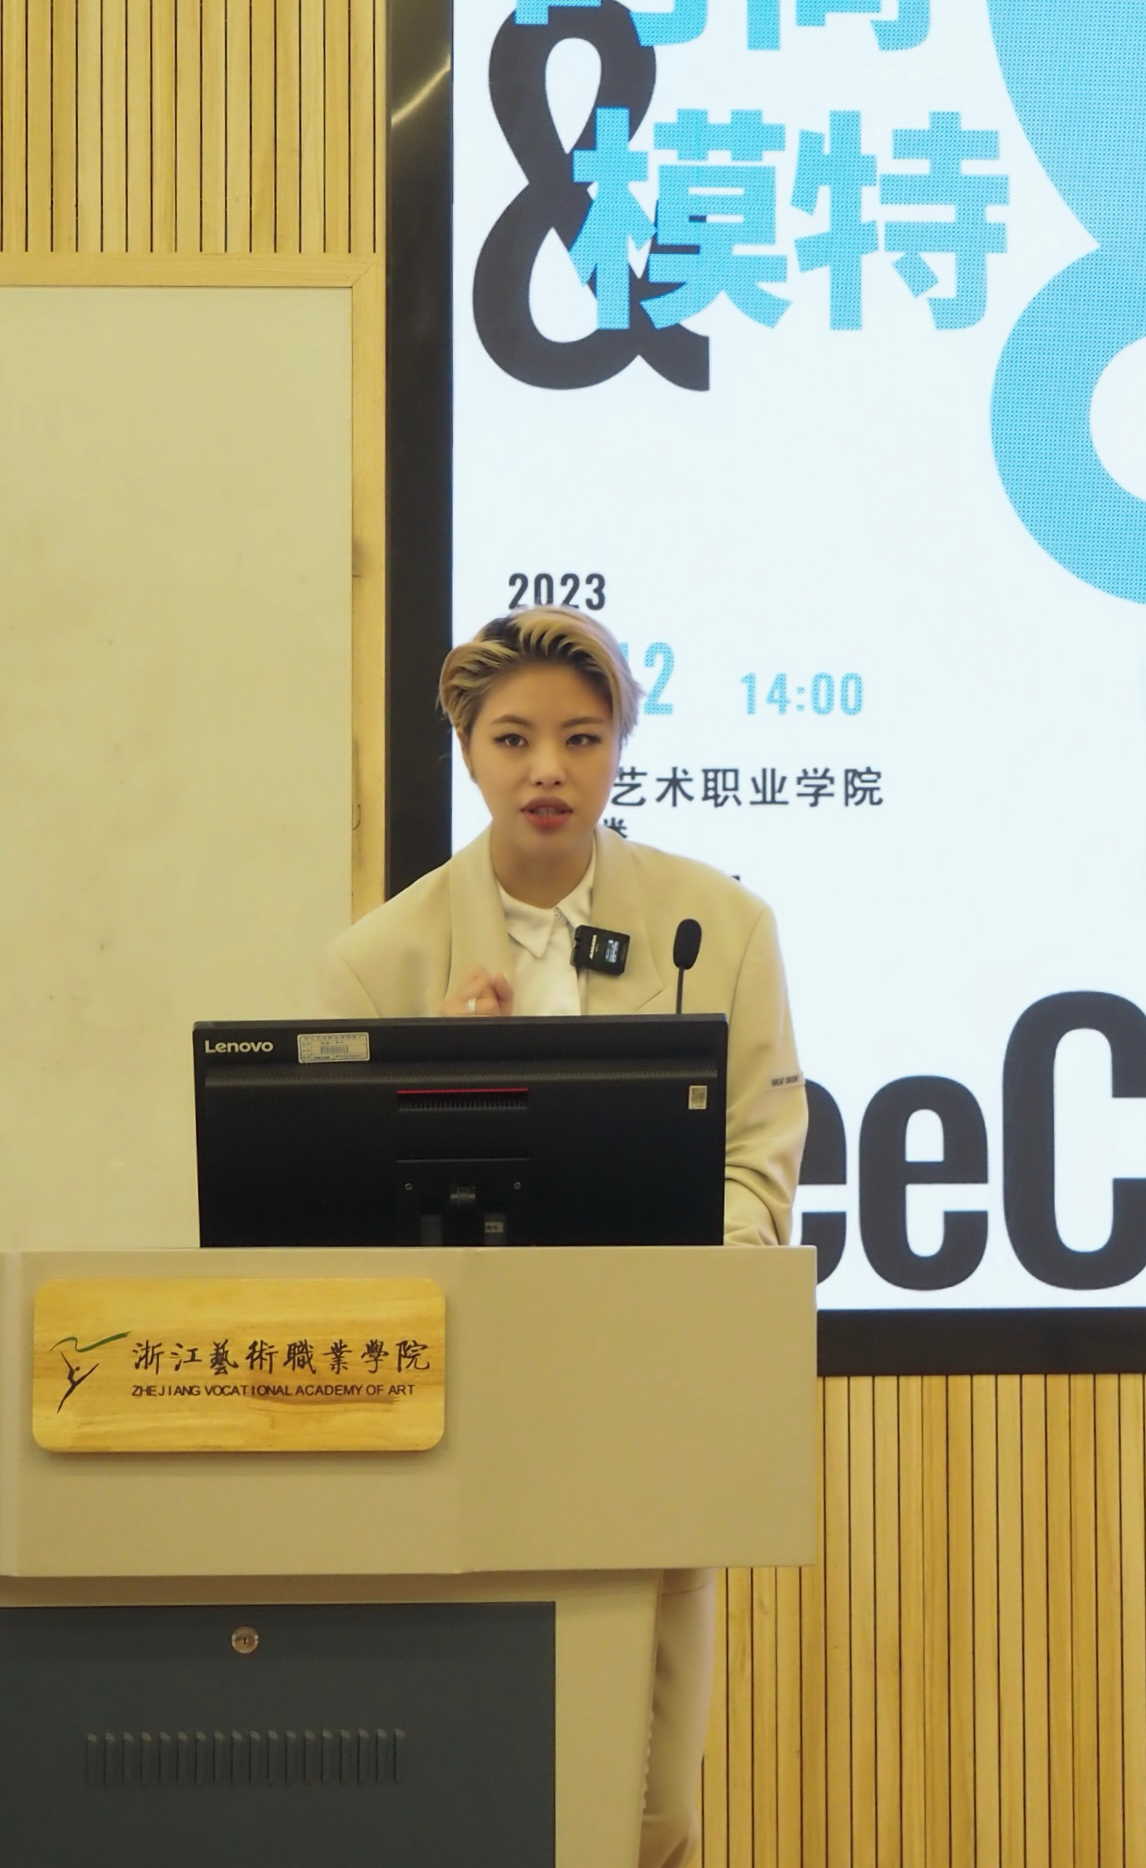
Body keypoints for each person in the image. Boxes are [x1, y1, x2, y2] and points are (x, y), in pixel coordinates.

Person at [317, 606, 806, 1868]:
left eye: (582, 739)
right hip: (464, 1417)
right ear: (467, 752)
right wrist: (434, 1087)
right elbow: (337, 1224)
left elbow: (759, 1158)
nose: (549, 769)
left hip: (650, 1394)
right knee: (468, 1781)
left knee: (651, 1802)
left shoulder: (719, 928)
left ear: (619, 748)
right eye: (515, 739)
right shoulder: (379, 962)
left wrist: (694, 1289)